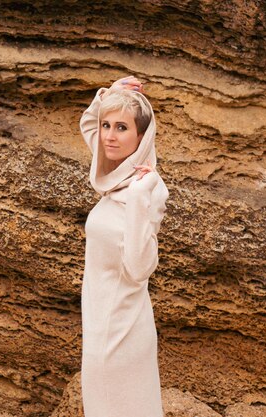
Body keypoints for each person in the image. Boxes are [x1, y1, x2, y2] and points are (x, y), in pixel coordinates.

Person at [79, 75, 169, 417]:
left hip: (122, 332)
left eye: (121, 127)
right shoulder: (117, 175)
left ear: (141, 137)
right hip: (100, 327)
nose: (109, 136)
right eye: (107, 126)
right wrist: (112, 91)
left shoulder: (144, 188)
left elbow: (139, 267)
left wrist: (138, 200)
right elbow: (89, 123)